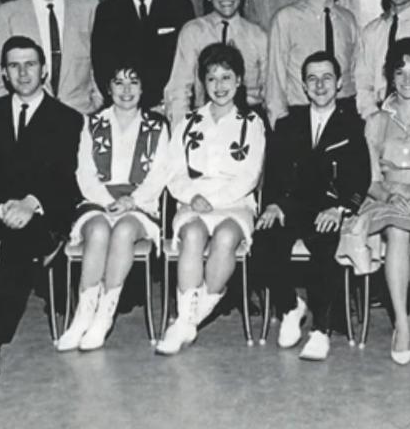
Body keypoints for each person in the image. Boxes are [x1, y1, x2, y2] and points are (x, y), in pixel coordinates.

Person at [0, 36, 84, 380]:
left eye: (30, 64)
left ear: (44, 69)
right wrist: (3, 207)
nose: (23, 72)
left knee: (22, 240)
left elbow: (67, 179)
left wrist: (31, 204)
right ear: (4, 73)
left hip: (43, 213)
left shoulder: (68, 119)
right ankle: (45, 258)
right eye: (14, 65)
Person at [336, 37, 410, 364]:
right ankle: (401, 323)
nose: (407, 80)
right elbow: (369, 177)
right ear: (390, 76)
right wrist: (391, 194)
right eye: (400, 73)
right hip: (385, 195)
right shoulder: (376, 121)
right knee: (400, 233)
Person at [252, 52, 371, 361]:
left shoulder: (353, 125)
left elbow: (361, 176)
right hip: (292, 206)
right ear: (303, 86)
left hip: (329, 209)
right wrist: (274, 205)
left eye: (327, 78)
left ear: (340, 83)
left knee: (325, 247)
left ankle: (321, 330)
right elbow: (274, 172)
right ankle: (290, 307)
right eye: (312, 79)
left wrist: (342, 208)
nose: (320, 85)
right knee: (263, 241)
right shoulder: (288, 123)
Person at [154, 44, 265, 355]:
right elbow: (173, 171)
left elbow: (250, 175)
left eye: (227, 78)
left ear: (240, 80)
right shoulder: (188, 122)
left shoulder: (251, 123)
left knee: (227, 236)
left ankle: (187, 321)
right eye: (212, 78)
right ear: (203, 82)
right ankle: (189, 318)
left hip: (235, 201)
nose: (220, 86)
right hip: (194, 200)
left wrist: (215, 200)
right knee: (191, 234)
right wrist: (193, 196)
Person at [55, 61, 172, 352]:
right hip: (98, 200)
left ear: (144, 88)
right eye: (118, 83)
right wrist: (108, 203)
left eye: (133, 82)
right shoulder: (91, 124)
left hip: (140, 204)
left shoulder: (157, 126)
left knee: (123, 231)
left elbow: (161, 173)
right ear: (108, 88)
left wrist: (130, 202)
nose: (126, 90)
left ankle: (104, 316)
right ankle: (83, 315)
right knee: (97, 231)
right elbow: (84, 172)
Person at [91, 0, 195, 110]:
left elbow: (190, 63)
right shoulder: (107, 11)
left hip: (169, 109)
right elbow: (102, 66)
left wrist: (168, 105)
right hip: (124, 109)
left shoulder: (179, 6)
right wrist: (125, 104)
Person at [266, 0, 359, 124]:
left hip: (344, 114)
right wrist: (280, 127)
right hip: (300, 116)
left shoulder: (348, 19)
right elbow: (275, 81)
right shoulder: (286, 19)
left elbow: (357, 74)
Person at [165, 0, 267, 124]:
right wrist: (182, 133)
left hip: (248, 120)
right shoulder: (193, 32)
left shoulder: (258, 36)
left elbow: (270, 90)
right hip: (205, 122)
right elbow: (179, 89)